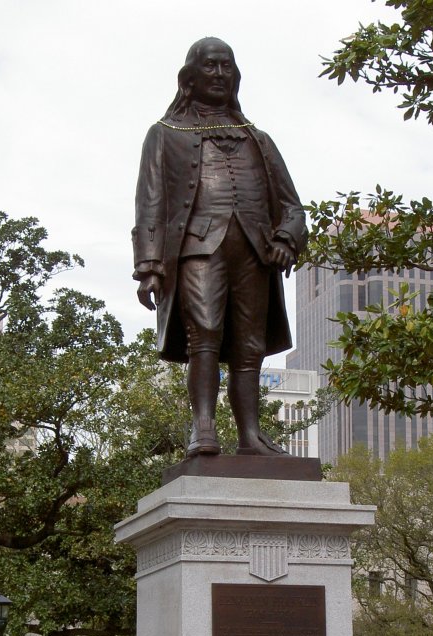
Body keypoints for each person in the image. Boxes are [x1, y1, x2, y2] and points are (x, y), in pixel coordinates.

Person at [133, 37, 307, 457]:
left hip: (253, 250)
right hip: (197, 247)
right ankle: (203, 430)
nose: (219, 74)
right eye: (210, 66)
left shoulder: (258, 139)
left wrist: (286, 237)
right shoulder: (164, 134)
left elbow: (292, 206)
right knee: (205, 333)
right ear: (190, 77)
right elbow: (151, 199)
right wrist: (150, 264)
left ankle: (251, 436)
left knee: (249, 344)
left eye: (226, 66)